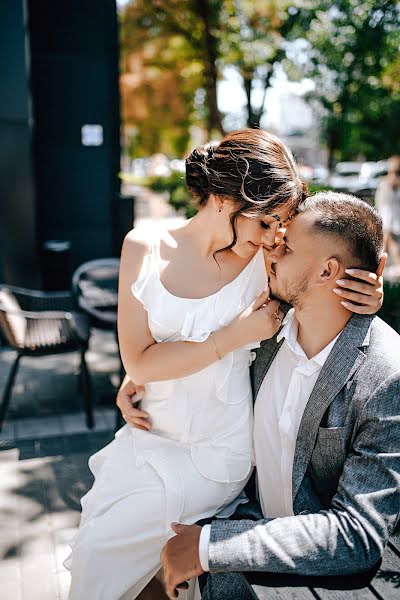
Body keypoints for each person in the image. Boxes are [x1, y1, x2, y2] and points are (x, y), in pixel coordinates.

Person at [64, 129, 383, 600]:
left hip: (218, 449)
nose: (275, 237)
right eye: (266, 221)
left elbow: (325, 275)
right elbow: (140, 358)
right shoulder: (143, 247)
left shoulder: (265, 264)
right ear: (222, 198)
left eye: (281, 225)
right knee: (111, 557)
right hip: (150, 431)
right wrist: (150, 369)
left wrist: (367, 293)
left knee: (104, 552)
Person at [158, 192, 400, 600]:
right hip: (235, 519)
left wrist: (208, 545)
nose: (271, 250)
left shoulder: (386, 376)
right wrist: (141, 381)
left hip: (323, 581)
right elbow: (190, 342)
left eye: (285, 247)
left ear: (327, 271)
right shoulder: (262, 328)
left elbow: (356, 535)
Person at [375, 155, 400, 271]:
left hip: (387, 215)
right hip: (396, 215)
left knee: (387, 242)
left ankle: (379, 266)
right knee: (390, 241)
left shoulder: (384, 182)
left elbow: (380, 200)